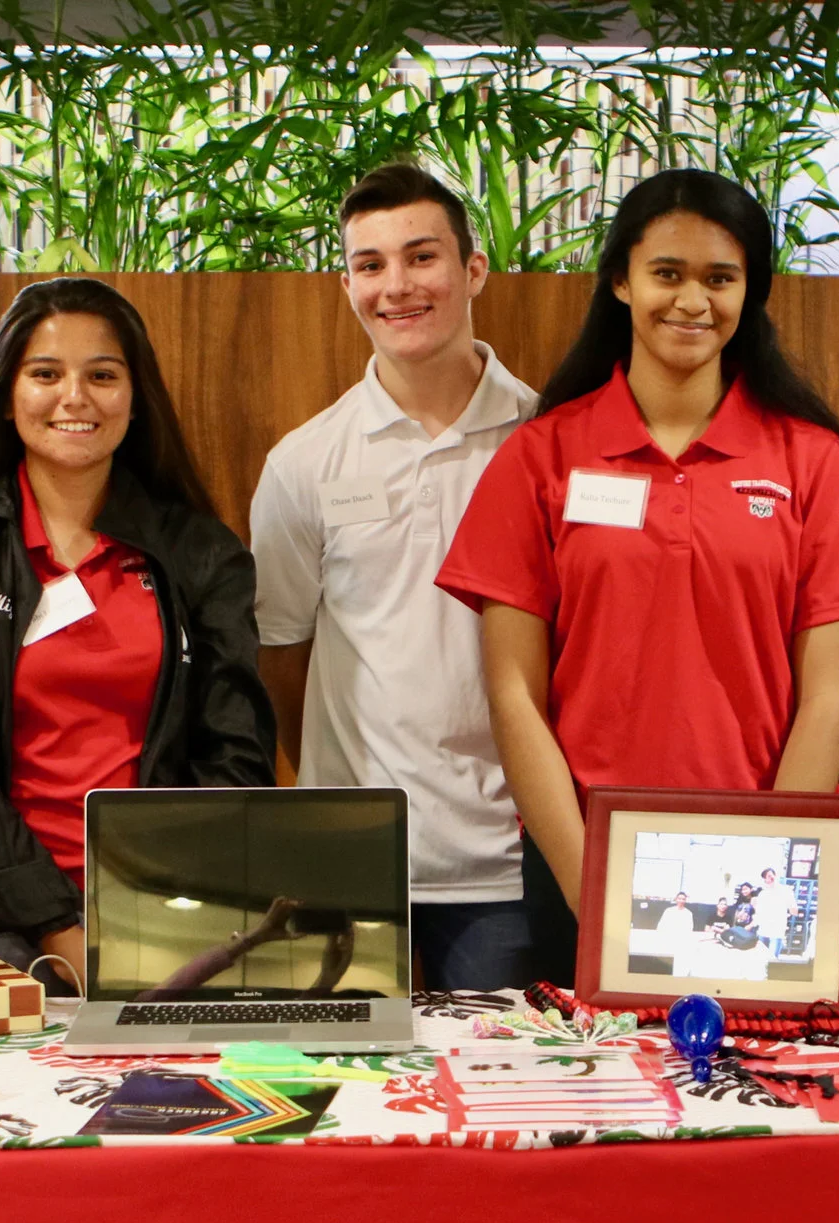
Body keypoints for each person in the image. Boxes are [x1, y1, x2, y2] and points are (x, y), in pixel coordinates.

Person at [438, 169, 839, 982]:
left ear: (751, 293)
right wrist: (589, 883)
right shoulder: (541, 455)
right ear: (621, 281)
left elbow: (828, 694)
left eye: (721, 278)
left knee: (747, 1102)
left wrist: (765, 873)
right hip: (581, 853)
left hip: (761, 867)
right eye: (667, 273)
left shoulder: (811, 462)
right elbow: (513, 694)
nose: (692, 301)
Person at [0, 278, 273, 985]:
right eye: (45, 374)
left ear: (135, 395)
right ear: (7, 395)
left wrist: (172, 913)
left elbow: (235, 752)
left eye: (102, 375)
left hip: (172, 913)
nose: (75, 398)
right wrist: (63, 927)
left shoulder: (202, 554)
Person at [252, 164, 538, 991]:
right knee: (354, 1107)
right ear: (346, 285)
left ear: (474, 269)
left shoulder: (545, 440)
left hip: (506, 868)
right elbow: (283, 657)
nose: (397, 286)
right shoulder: (305, 463)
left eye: (422, 257)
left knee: (496, 1098)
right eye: (371, 265)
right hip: (352, 866)